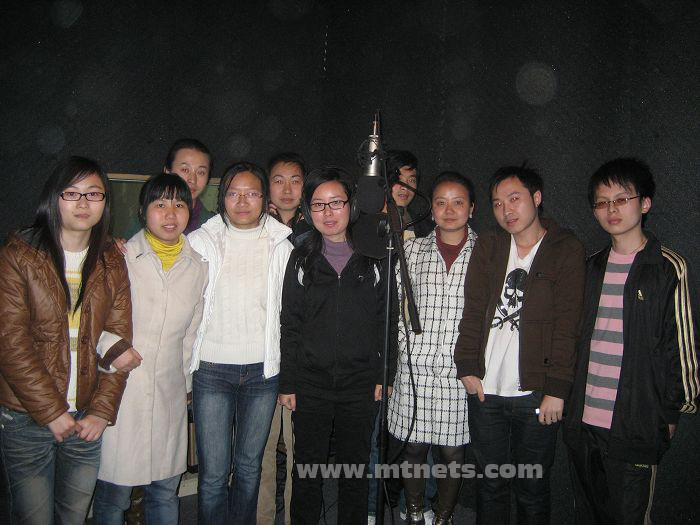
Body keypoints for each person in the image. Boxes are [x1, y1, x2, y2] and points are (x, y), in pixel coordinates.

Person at [0, 156, 140, 524]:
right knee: (33, 517)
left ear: (105, 201)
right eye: (72, 193)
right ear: (54, 198)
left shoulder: (111, 260)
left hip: (87, 416)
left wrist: (101, 412)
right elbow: (10, 342)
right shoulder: (20, 255)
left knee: (74, 516)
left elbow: (119, 344)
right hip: (26, 416)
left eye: (93, 193)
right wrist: (51, 412)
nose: (83, 203)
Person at [563, 158, 699, 524]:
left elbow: (681, 345)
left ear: (645, 203)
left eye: (621, 199)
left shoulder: (668, 267)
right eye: (602, 202)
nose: (611, 209)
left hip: (636, 422)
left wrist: (672, 410)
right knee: (588, 515)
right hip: (584, 420)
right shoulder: (590, 266)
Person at [454, 164, 585, 524]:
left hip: (536, 393)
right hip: (486, 391)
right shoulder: (490, 246)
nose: (506, 210)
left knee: (532, 488)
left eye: (514, 199)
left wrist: (557, 389)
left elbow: (568, 324)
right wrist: (466, 367)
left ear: (536, 197)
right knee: (490, 484)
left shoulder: (565, 248)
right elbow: (473, 309)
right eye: (497, 204)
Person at [278, 166, 398, 525]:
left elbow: (387, 320)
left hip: (359, 383)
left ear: (352, 205)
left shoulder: (375, 256)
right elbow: (291, 323)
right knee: (308, 470)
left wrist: (384, 374)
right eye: (318, 205)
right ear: (308, 210)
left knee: (354, 472)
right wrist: (288, 382)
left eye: (336, 203)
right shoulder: (300, 257)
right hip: (311, 383)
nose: (328, 213)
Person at [92, 174, 208, 524]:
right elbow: (88, 319)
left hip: (169, 394)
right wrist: (113, 349)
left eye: (179, 204)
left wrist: (185, 384)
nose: (170, 214)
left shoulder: (198, 267)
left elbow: (191, 334)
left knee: (165, 493)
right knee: (113, 497)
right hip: (120, 389)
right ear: (143, 211)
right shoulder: (119, 258)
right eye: (160, 204)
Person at [188, 162, 293, 525]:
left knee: (249, 468)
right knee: (214, 474)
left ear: (264, 199)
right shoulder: (201, 241)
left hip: (262, 373)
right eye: (234, 193)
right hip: (212, 370)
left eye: (251, 194)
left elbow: (288, 314)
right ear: (223, 198)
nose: (243, 201)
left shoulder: (282, 245)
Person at [388, 172, 478, 525]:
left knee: (453, 452)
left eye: (458, 202)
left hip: (459, 372)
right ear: (432, 208)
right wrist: (403, 350)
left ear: (472, 208)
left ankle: (443, 516)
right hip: (415, 369)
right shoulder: (412, 250)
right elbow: (397, 306)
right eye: (441, 202)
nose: (449, 210)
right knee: (413, 447)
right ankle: (414, 512)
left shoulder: (487, 253)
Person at [257, 152, 308, 525]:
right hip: (259, 355)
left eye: (295, 180)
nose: (287, 189)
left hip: (301, 357)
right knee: (257, 452)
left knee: (299, 452)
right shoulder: (252, 227)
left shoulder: (320, 229)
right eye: (279, 180)